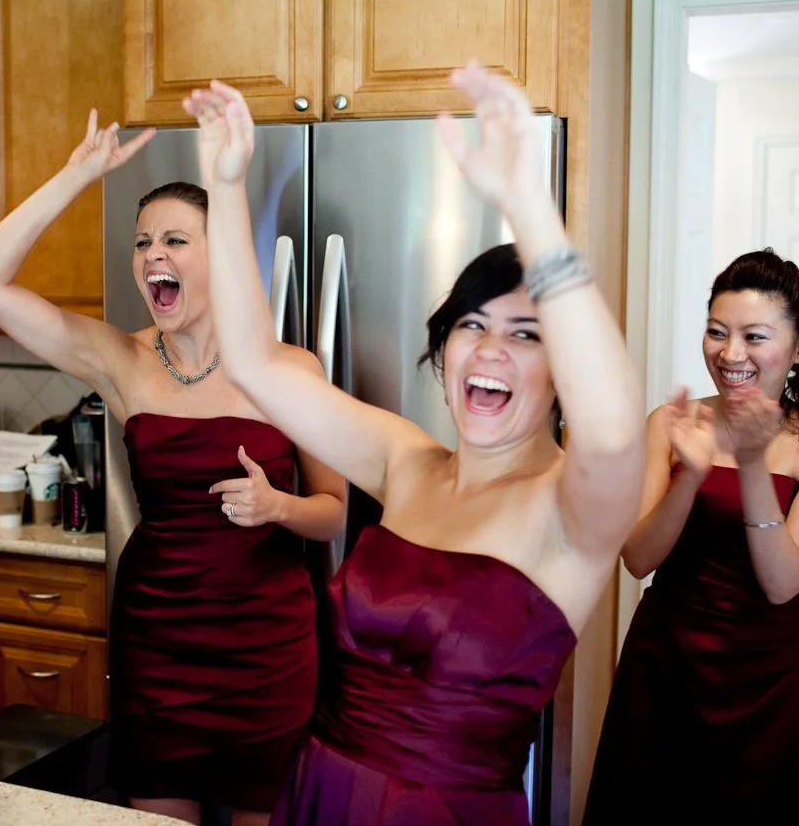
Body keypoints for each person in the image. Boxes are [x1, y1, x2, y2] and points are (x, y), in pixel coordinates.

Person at [183, 67, 647, 825]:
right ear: (443, 348)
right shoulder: (406, 462)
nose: (491, 348)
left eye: (527, 335)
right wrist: (228, 183)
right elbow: (257, 365)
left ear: (564, 375)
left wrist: (529, 203)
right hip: (318, 791)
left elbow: (616, 430)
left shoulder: (573, 509)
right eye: (473, 324)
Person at [0, 112, 348, 825]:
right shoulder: (121, 361)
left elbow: (336, 507)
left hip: (269, 653)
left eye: (173, 240)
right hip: (159, 641)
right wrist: (76, 175)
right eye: (141, 242)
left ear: (219, 252)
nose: (150, 255)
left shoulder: (289, 369)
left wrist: (278, 508)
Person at [585, 249, 799, 824]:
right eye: (716, 332)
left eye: (754, 336)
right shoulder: (670, 423)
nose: (730, 354)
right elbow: (638, 559)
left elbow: (783, 582)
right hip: (662, 668)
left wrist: (752, 460)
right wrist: (689, 476)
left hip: (769, 684)